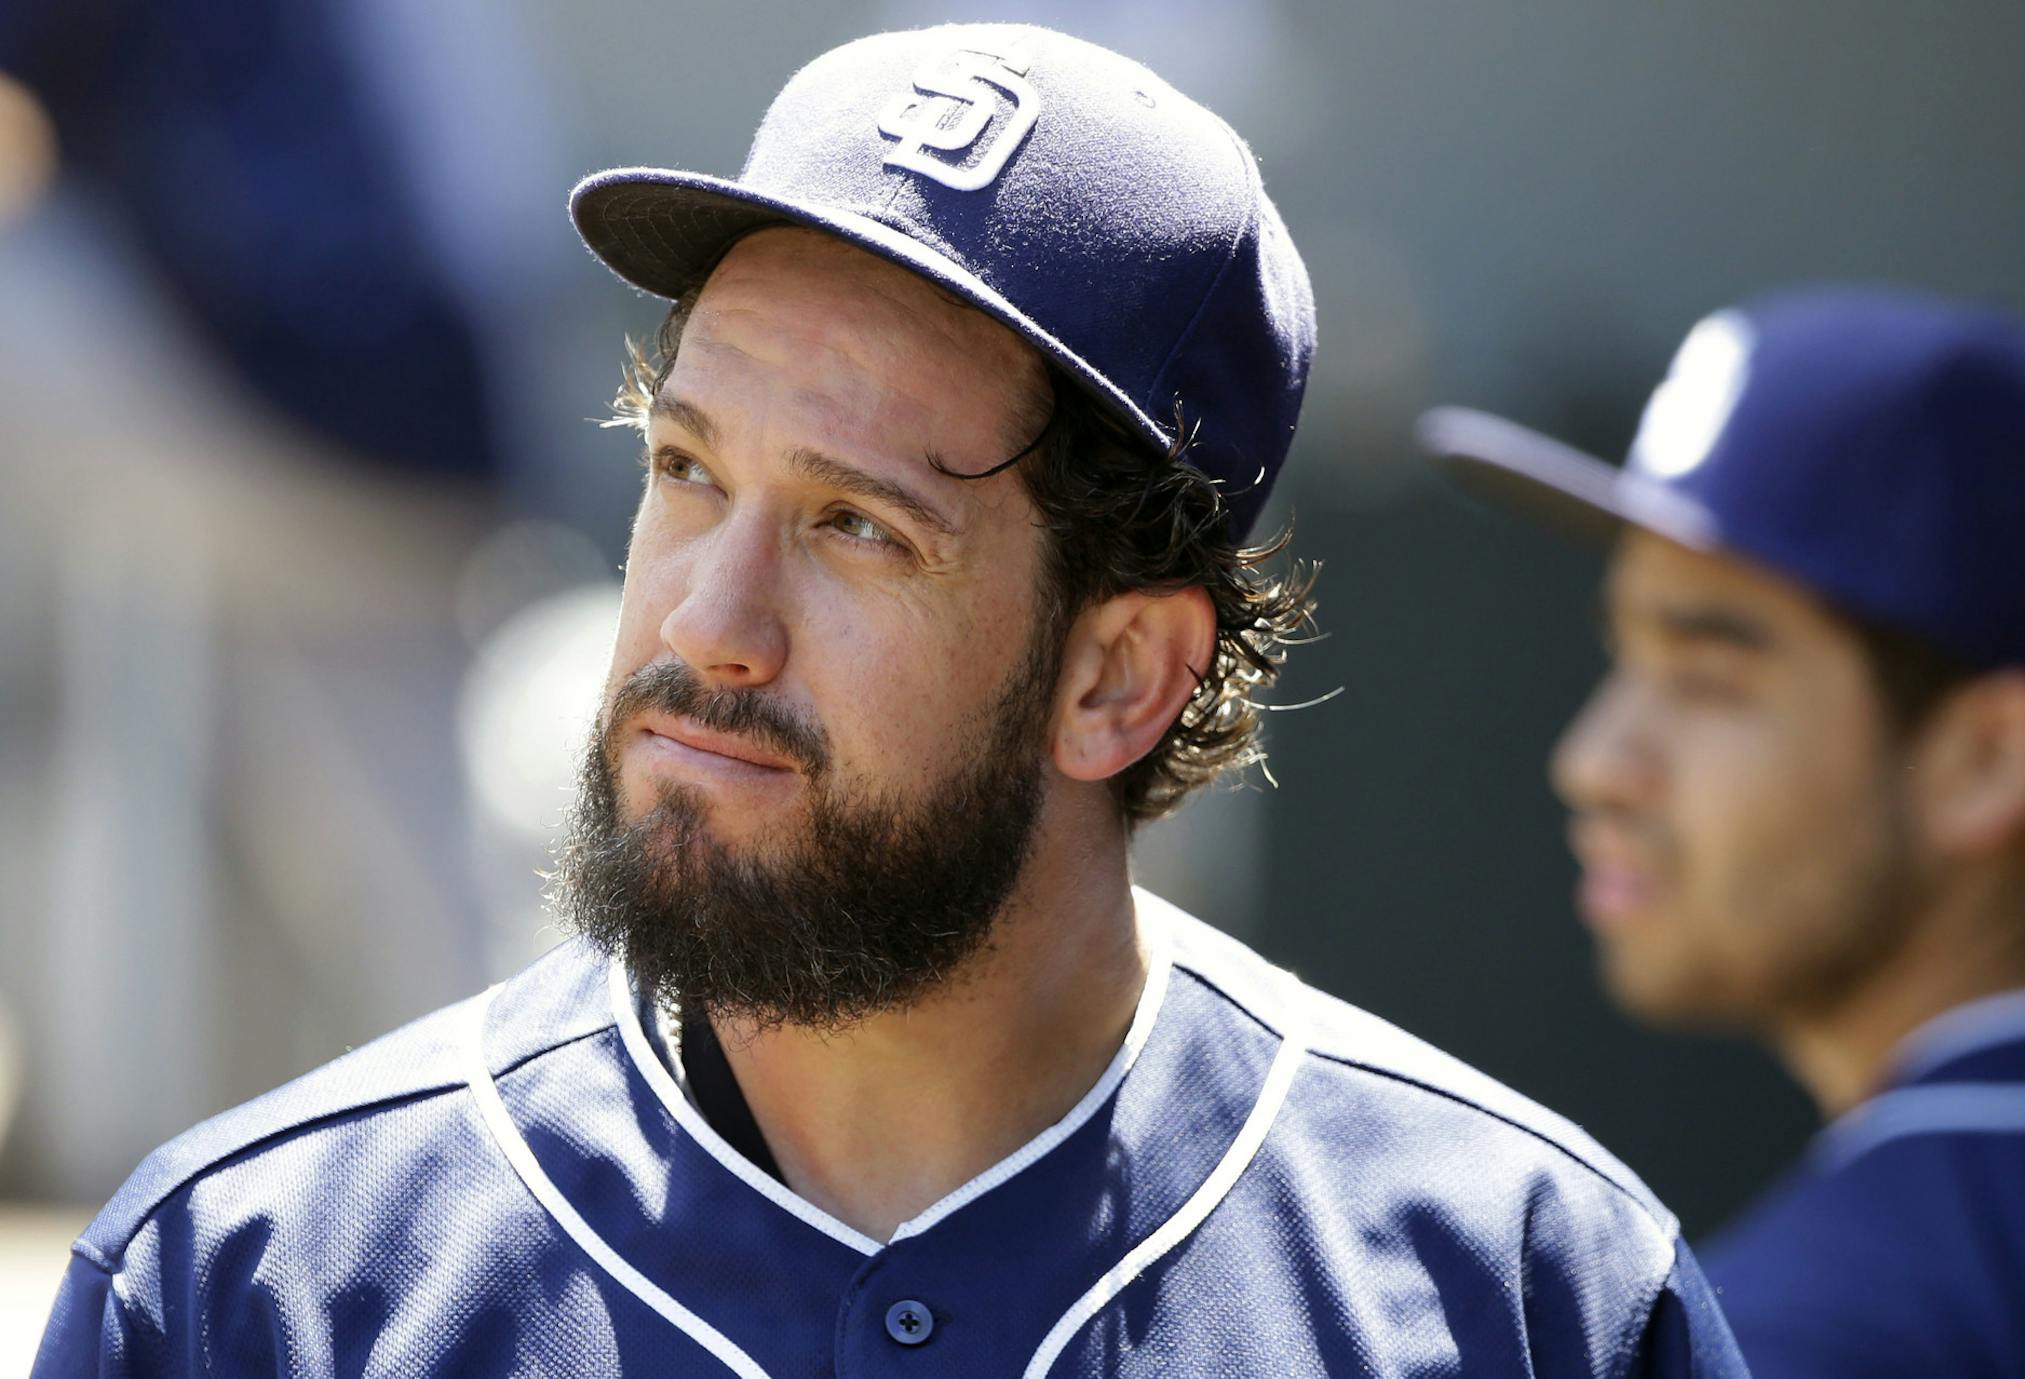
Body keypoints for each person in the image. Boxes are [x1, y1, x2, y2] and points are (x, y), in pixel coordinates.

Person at [36, 25, 1743, 1378]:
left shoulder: (1521, 1292)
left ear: (1115, 674)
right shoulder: (250, 1282)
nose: (712, 621)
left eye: (859, 527)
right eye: (689, 470)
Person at [1424, 284, 2025, 1378]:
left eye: (1707, 673)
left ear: (1988, 759)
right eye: (1627, 656)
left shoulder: (1807, 1327)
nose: (1594, 760)